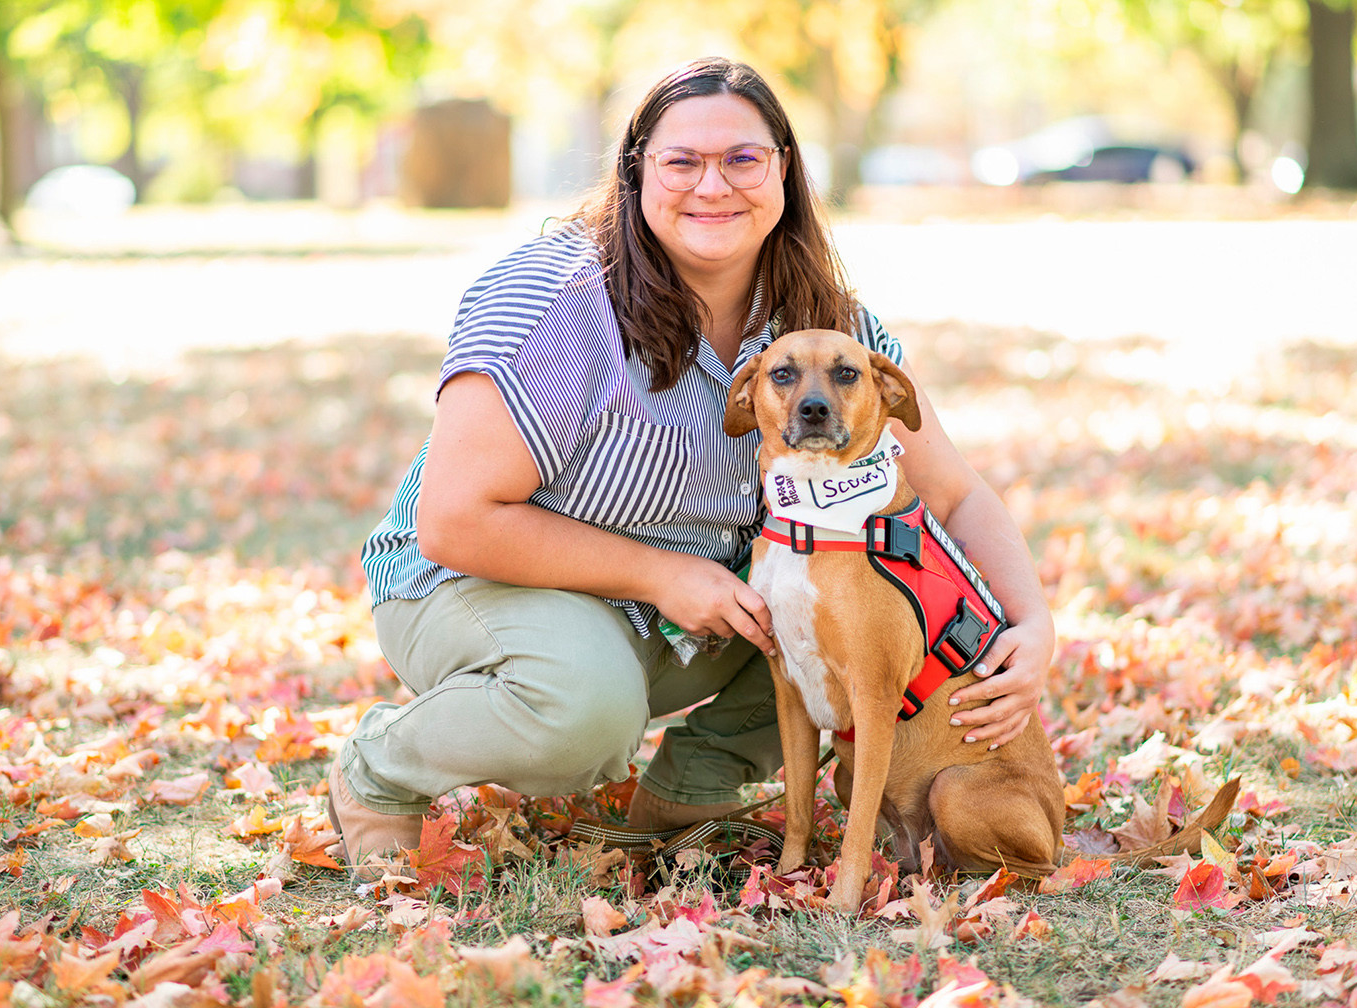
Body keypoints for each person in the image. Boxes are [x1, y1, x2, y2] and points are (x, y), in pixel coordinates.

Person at [328, 56, 1055, 875]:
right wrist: (663, 575)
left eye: (743, 159)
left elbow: (951, 493)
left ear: (785, 170)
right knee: (584, 713)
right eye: (682, 162)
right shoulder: (554, 299)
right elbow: (456, 520)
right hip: (476, 582)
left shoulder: (827, 327)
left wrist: (1031, 624)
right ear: (638, 173)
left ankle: (688, 792)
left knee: (847, 595)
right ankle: (379, 771)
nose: (714, 186)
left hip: (694, 612)